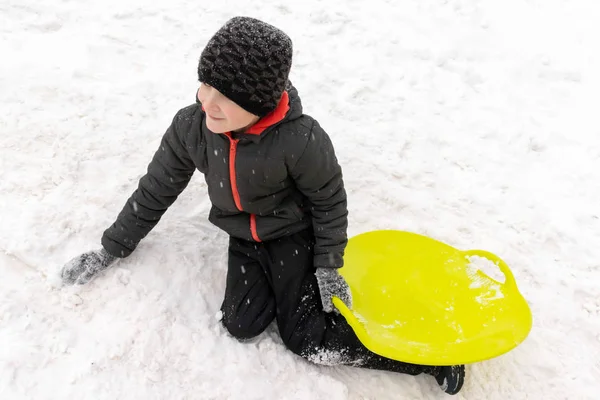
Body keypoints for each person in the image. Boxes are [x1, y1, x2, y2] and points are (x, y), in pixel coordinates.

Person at [60, 16, 465, 395]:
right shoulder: (192, 127)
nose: (208, 103)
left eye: (226, 96)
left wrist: (327, 263)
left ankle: (423, 360)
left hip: (292, 233)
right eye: (205, 86)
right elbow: (156, 188)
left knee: (305, 338)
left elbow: (329, 199)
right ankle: (287, 293)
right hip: (244, 235)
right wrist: (111, 248)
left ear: (259, 103)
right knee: (241, 325)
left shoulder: (300, 139)